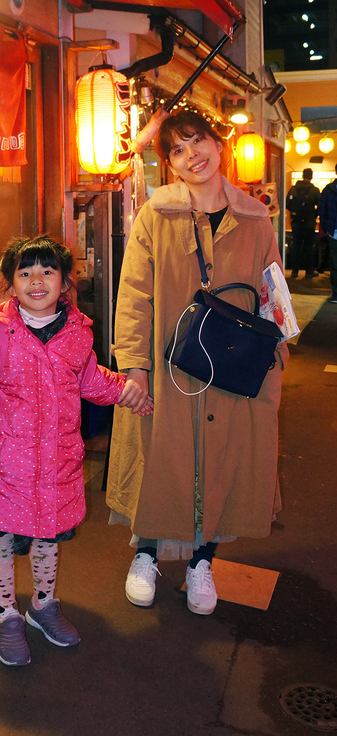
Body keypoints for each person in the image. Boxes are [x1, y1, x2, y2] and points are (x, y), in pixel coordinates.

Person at [106, 110, 288, 616]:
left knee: (223, 458)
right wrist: (134, 365)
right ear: (169, 165)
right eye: (179, 151)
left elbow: (274, 293)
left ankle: (201, 561)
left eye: (198, 142)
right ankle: (145, 555)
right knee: (157, 458)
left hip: (233, 366)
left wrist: (276, 355)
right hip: (168, 365)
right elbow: (134, 293)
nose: (193, 157)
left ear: (219, 143)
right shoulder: (155, 213)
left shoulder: (255, 217)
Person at [0, 235, 151, 667]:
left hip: (56, 464)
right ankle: (6, 616)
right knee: (0, 540)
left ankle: (42, 605)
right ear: (10, 283)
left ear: (64, 282)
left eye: (47, 272)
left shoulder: (77, 334)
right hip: (3, 469)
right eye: (25, 273)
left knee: (48, 538)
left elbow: (90, 380)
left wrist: (127, 393)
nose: (36, 282)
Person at [286, 167, 320, 278]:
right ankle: (309, 271)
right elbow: (320, 206)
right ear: (311, 176)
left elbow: (287, 204)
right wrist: (313, 215)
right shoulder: (314, 190)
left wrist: (295, 214)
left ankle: (294, 271)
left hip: (296, 223)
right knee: (308, 247)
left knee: (296, 246)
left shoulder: (293, 189)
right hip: (309, 224)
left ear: (302, 176)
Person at [318, 163, 337, 303]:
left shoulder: (328, 189)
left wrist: (325, 227)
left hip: (332, 231)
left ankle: (335, 294)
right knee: (334, 263)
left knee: (334, 263)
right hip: (332, 231)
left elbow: (322, 210)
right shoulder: (328, 190)